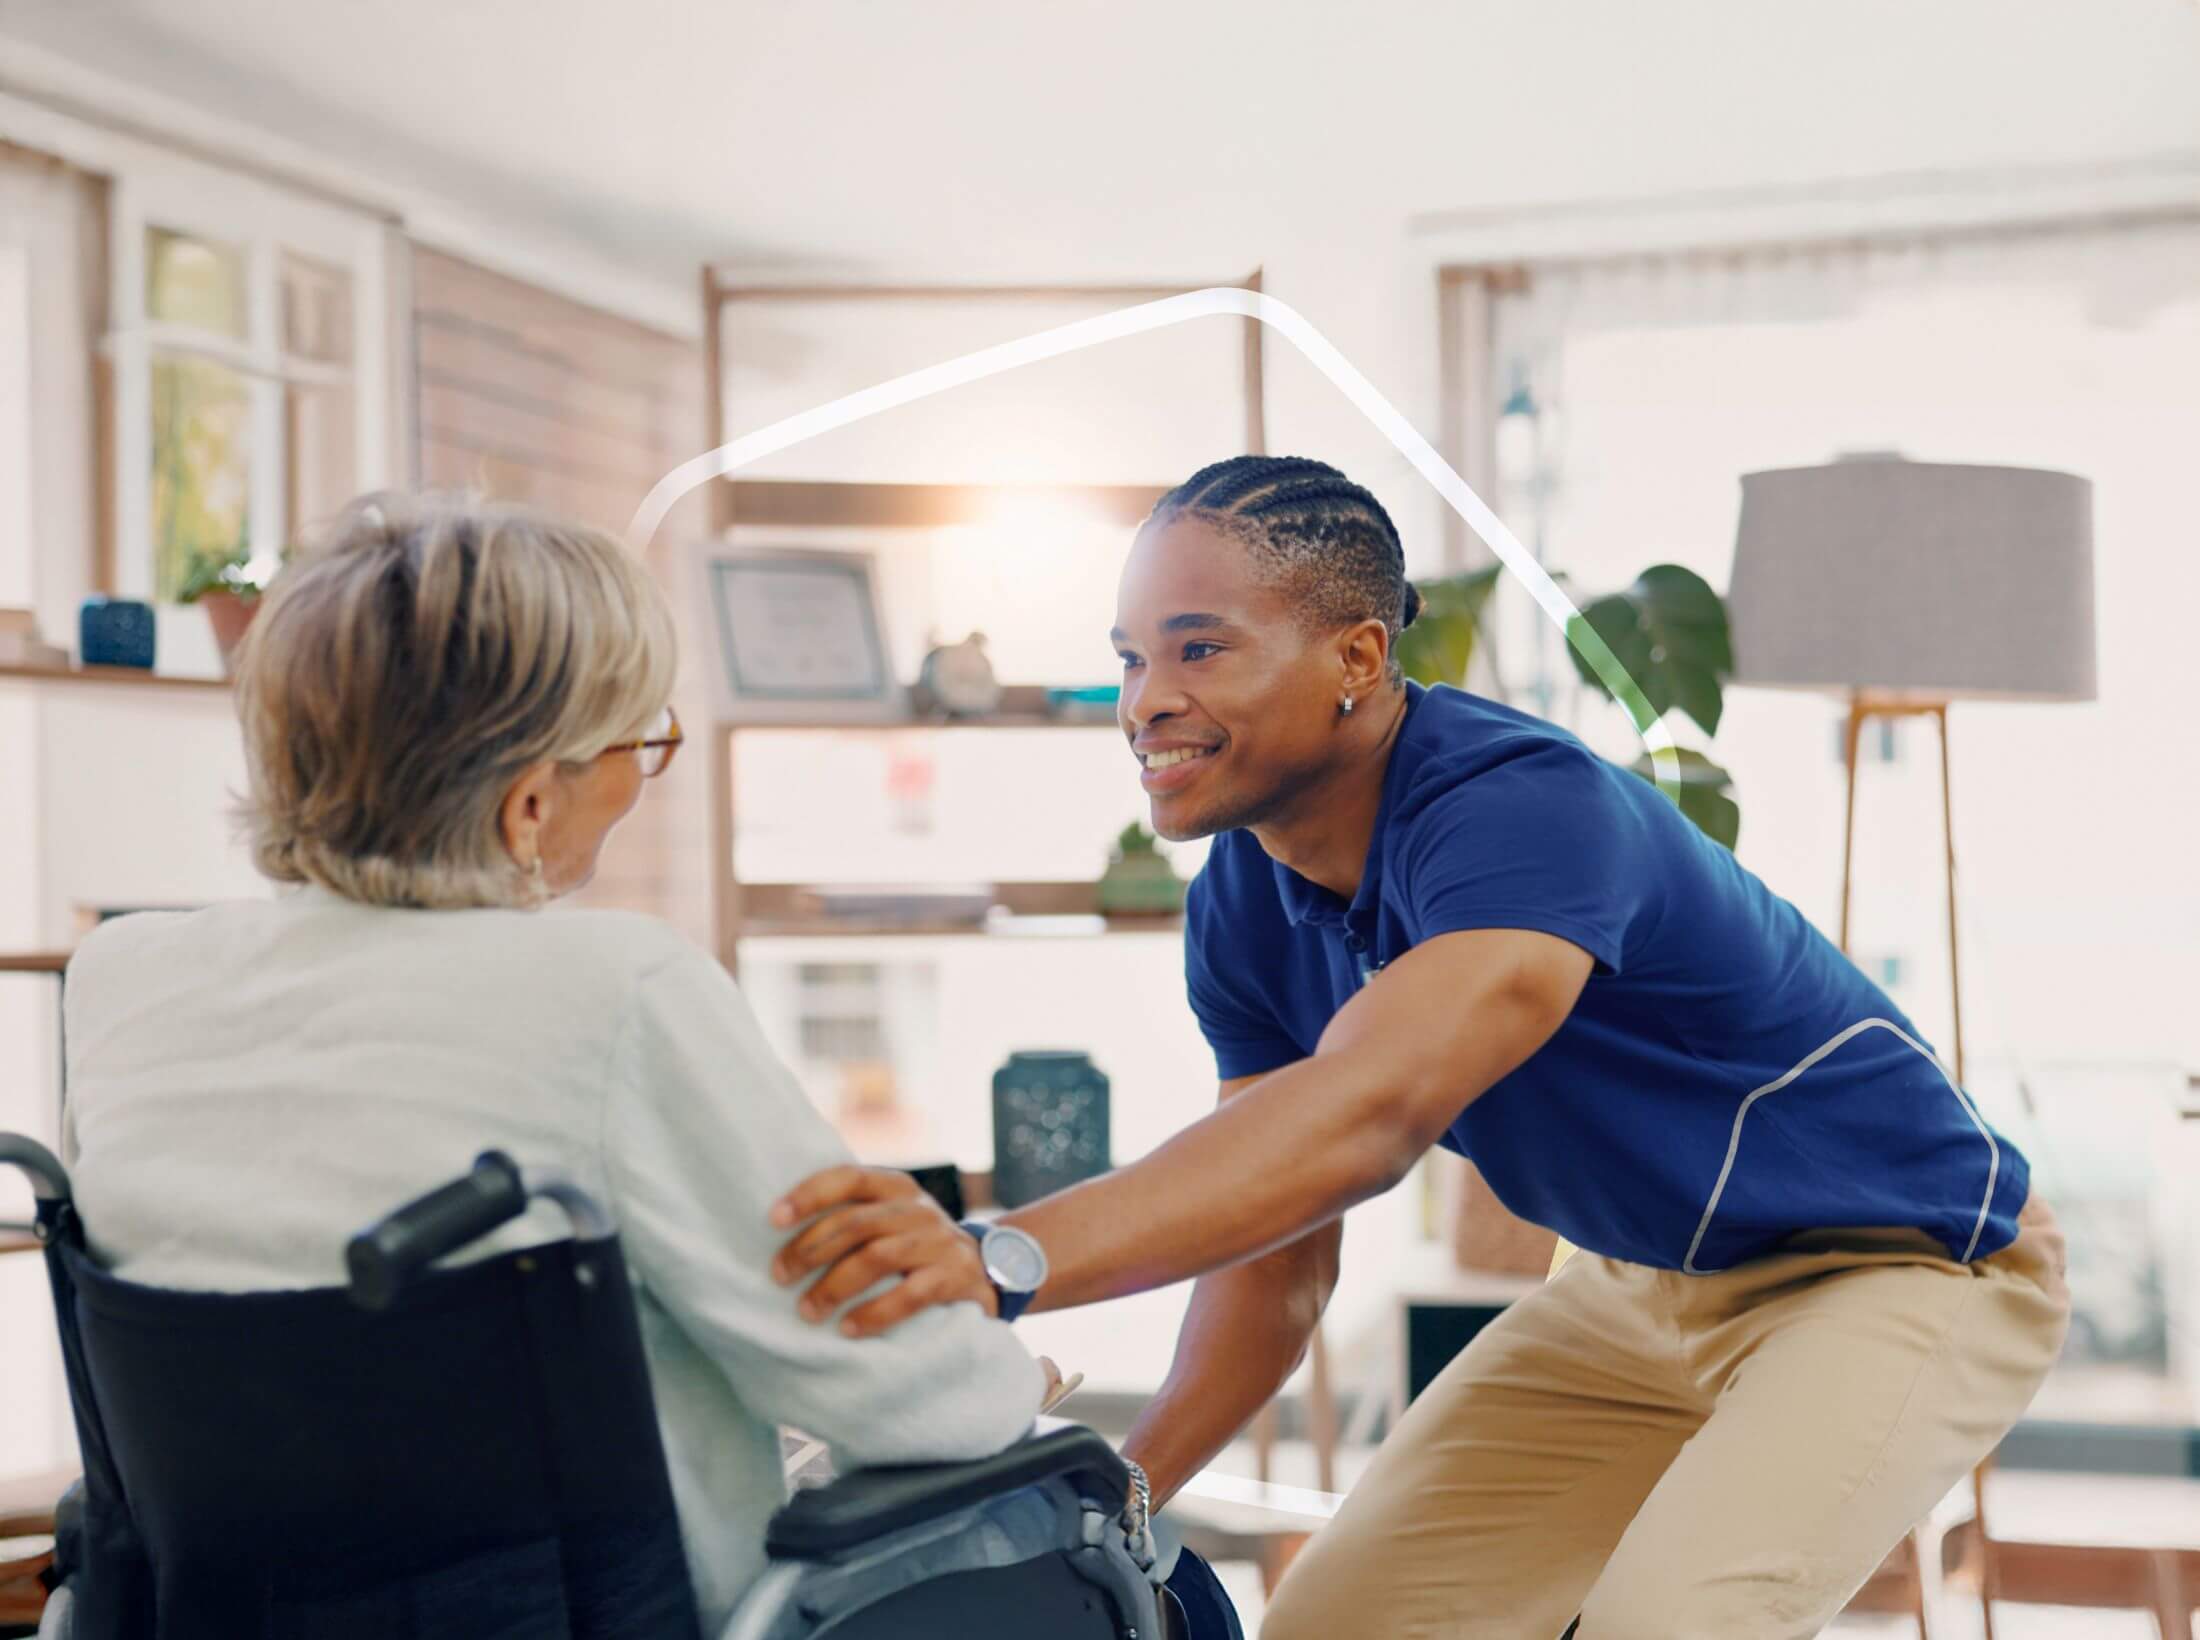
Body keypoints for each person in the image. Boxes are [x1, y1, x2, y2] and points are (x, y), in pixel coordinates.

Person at [770, 456, 2072, 1638]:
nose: (1147, 703)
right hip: (1635, 1290)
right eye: (1130, 658)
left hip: (1900, 1264)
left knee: (1663, 1628)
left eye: (1201, 651)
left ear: (1355, 656)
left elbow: (1369, 1112)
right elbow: (1274, 1262)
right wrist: (1122, 1498)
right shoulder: (1243, 892)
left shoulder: (1520, 812)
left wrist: (1001, 1258)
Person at [60, 493, 1056, 1635]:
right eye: (640, 745)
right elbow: (912, 1401)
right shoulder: (616, 991)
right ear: (529, 801)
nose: (642, 778)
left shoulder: (121, 978)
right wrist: (1007, 1376)